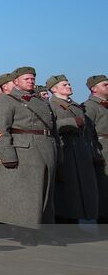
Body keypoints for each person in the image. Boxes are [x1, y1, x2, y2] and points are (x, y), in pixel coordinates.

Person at [0, 66, 59, 245]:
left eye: (32, 78)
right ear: (16, 82)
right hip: (23, 149)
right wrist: (7, 153)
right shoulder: (7, 101)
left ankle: (43, 229)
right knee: (25, 194)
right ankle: (25, 232)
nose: (31, 81)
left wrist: (58, 153)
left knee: (45, 191)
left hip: (46, 148)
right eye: (26, 78)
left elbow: (52, 129)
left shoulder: (41, 102)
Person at [46, 74, 98, 230]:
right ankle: (65, 224)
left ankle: (78, 221)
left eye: (68, 84)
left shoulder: (76, 106)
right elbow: (50, 126)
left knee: (82, 188)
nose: (68, 86)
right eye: (64, 85)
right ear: (54, 89)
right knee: (66, 190)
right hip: (65, 148)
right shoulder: (51, 106)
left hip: (80, 149)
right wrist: (70, 122)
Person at [84, 74, 108, 223]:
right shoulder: (89, 106)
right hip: (102, 151)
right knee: (104, 187)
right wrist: (94, 153)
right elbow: (86, 133)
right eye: (105, 84)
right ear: (94, 89)